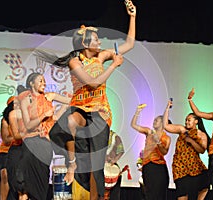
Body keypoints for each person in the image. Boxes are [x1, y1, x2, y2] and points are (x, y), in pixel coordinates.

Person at [34, 1, 136, 199]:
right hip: (80, 108)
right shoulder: (75, 60)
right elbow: (93, 83)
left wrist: (132, 16)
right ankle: (71, 162)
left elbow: (129, 43)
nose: (100, 42)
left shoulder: (102, 56)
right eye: (96, 39)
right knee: (66, 125)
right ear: (85, 43)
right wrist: (114, 66)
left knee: (95, 169)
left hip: (100, 113)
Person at [14, 72, 70, 200]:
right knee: (26, 178)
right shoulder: (25, 101)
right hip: (31, 141)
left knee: (43, 176)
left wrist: (65, 107)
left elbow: (55, 117)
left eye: (44, 81)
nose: (44, 83)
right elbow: (28, 125)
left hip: (46, 143)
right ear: (31, 83)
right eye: (40, 81)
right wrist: (44, 114)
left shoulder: (49, 97)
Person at [163, 99, 210, 200]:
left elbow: (202, 150)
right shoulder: (182, 129)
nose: (186, 122)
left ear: (196, 121)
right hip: (180, 166)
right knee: (182, 195)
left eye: (189, 120)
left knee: (205, 185)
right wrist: (167, 108)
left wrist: (191, 141)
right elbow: (166, 126)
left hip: (194, 166)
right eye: (186, 120)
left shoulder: (201, 134)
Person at [131, 103, 171, 200]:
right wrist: (137, 112)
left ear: (162, 123)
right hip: (148, 166)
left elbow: (164, 152)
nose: (154, 121)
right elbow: (133, 125)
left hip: (159, 167)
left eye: (156, 120)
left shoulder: (166, 137)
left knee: (159, 194)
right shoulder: (149, 132)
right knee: (149, 193)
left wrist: (158, 142)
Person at [104, 130, 125, 200]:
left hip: (112, 165)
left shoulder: (115, 137)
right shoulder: (96, 136)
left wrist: (114, 159)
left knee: (114, 195)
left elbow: (121, 151)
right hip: (100, 166)